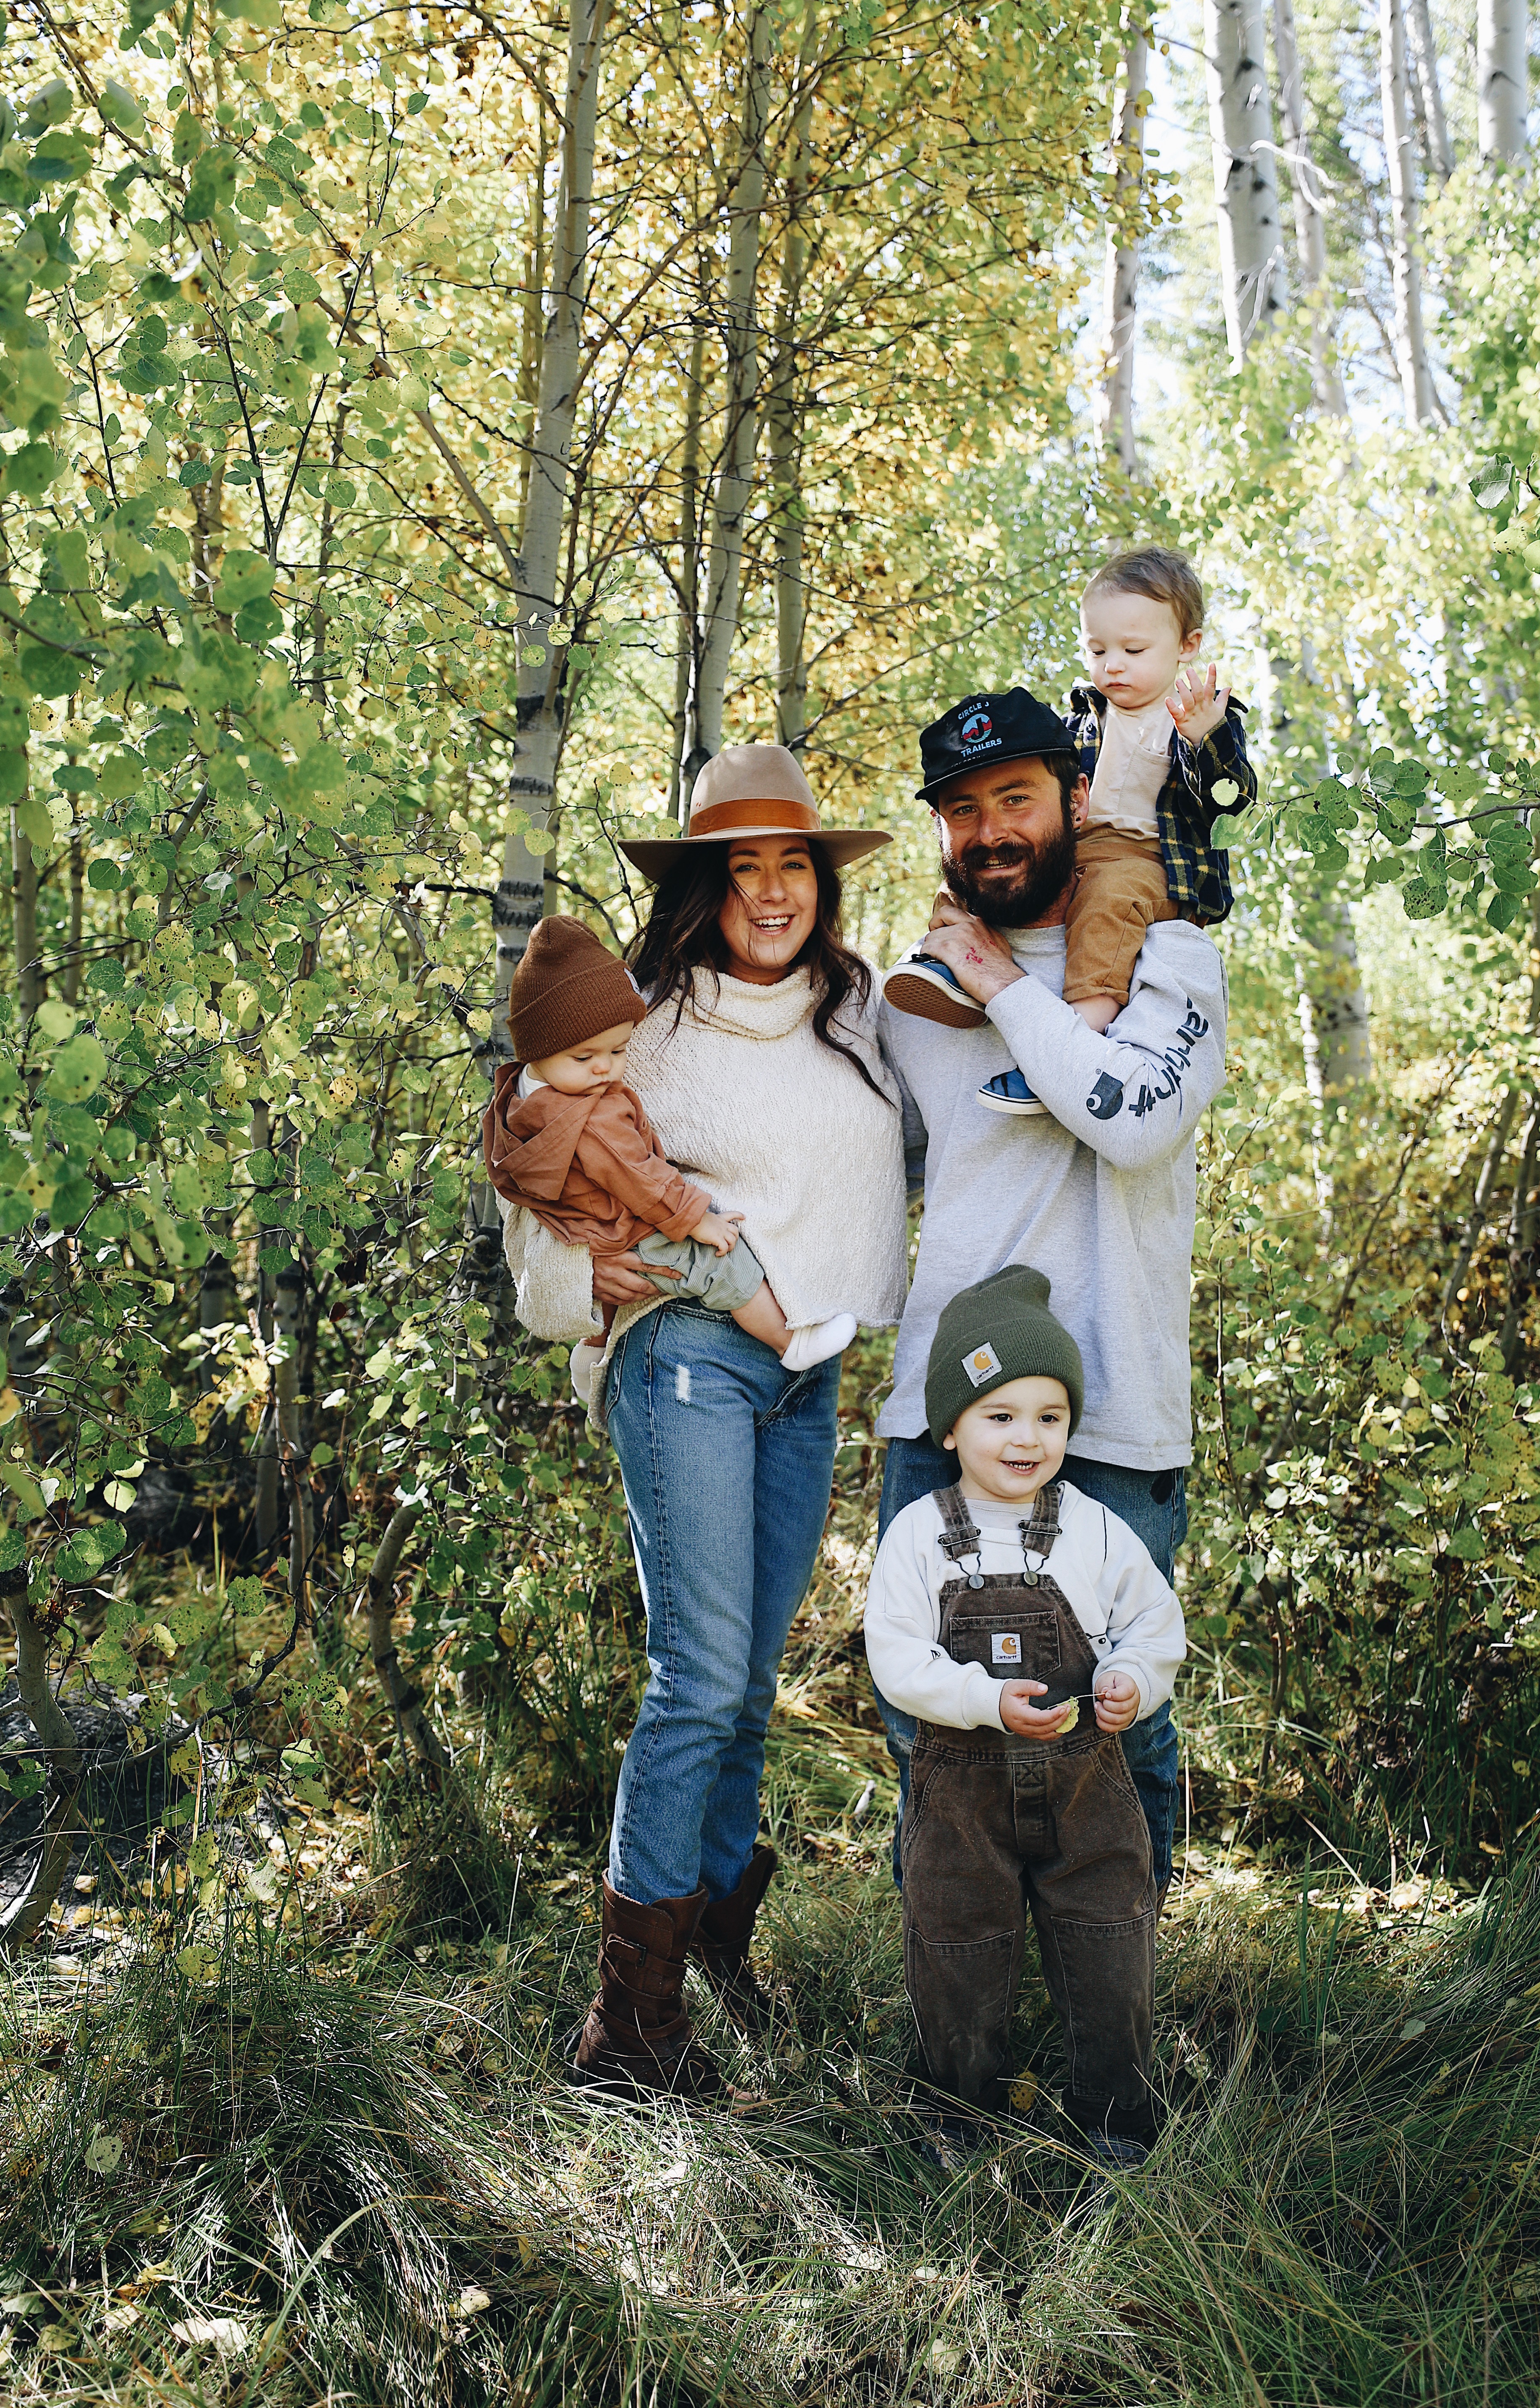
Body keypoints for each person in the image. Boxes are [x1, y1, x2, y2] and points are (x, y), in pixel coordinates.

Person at [497, 745, 908, 2098]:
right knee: (699, 1675)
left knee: (746, 1687)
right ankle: (627, 2033)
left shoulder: (853, 1013)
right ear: (704, 889)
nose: (777, 891)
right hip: (686, 1358)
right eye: (747, 869)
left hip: (807, 1375)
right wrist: (581, 1281)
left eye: (796, 864)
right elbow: (531, 1167)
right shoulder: (648, 1021)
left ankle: (716, 1956)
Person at [871, 683, 1230, 1903]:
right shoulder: (910, 1000)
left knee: (1117, 1724)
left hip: (1116, 1414)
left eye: (1014, 798)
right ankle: (967, 2000)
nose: (989, 832)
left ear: (1077, 798)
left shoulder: (1165, 955)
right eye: (961, 811)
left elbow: (1128, 1121)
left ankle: (1118, 2002)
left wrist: (1001, 984)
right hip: (938, 1421)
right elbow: (854, 1178)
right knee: (925, 1714)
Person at [865, 1266, 1184, 2162]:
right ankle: (959, 2113)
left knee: (1107, 1937)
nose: (1027, 1437)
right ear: (950, 1426)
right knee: (958, 1941)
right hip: (961, 1798)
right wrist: (980, 1699)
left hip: (1087, 1789)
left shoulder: (1090, 1525)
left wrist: (1128, 1675)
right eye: (999, 1415)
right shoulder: (919, 1533)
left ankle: (1114, 2114)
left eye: (1049, 1416)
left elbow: (1154, 1622)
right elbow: (895, 1654)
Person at [885, 545, 1255, 1112]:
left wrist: (1206, 741)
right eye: (1096, 649)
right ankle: (952, 966)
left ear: (1187, 647)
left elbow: (1230, 803)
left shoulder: (1201, 717)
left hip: (1148, 859)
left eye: (1133, 650)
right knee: (982, 869)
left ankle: (1076, 1035)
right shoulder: (1082, 715)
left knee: (1106, 905)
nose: (1112, 665)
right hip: (1080, 844)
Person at [482, 914, 857, 1376]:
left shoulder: (515, 1100)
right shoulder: (594, 1115)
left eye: (619, 1051)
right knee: (718, 1263)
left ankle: (592, 1350)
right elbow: (640, 1176)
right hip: (624, 1226)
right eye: (584, 1057)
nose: (604, 1069)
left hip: (582, 1230)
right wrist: (698, 1219)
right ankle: (789, 1340)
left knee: (629, 1283)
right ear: (535, 1047)